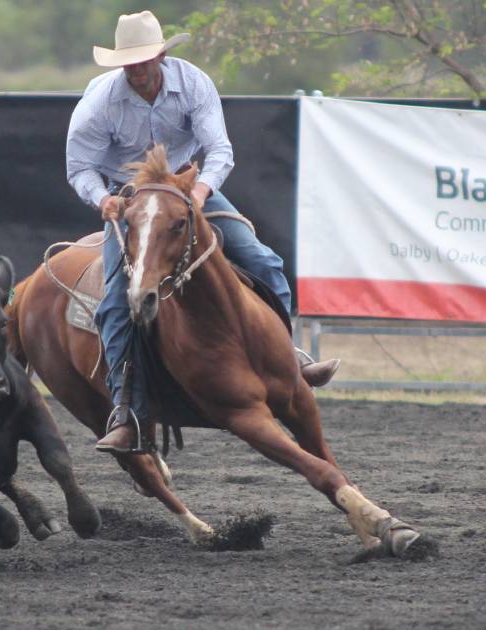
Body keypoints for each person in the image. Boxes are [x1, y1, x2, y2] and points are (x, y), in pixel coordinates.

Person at [65, 10, 341, 453]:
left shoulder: (193, 84)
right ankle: (127, 410)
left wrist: (200, 191)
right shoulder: (99, 104)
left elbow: (219, 150)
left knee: (260, 259)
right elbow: (79, 168)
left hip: (189, 188)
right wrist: (104, 200)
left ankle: (288, 360)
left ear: (160, 56)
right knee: (118, 298)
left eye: (144, 59)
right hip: (133, 201)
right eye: (128, 62)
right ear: (119, 65)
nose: (137, 69)